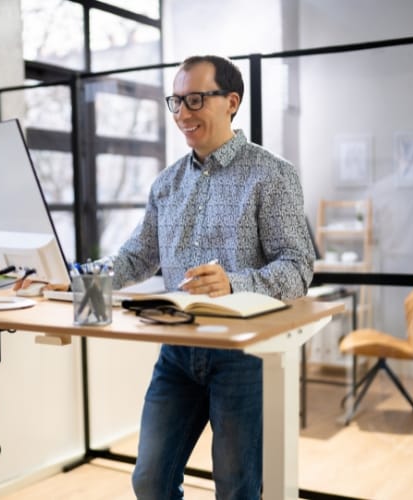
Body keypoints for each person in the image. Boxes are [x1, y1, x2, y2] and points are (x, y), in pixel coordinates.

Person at [106, 55, 314, 499]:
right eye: (176, 101)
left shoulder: (271, 175)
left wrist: (234, 283)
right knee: (149, 481)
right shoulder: (166, 183)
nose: (183, 113)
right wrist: (74, 280)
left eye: (196, 99)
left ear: (231, 102)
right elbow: (136, 256)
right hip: (177, 353)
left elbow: (297, 267)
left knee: (237, 491)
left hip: (241, 356)